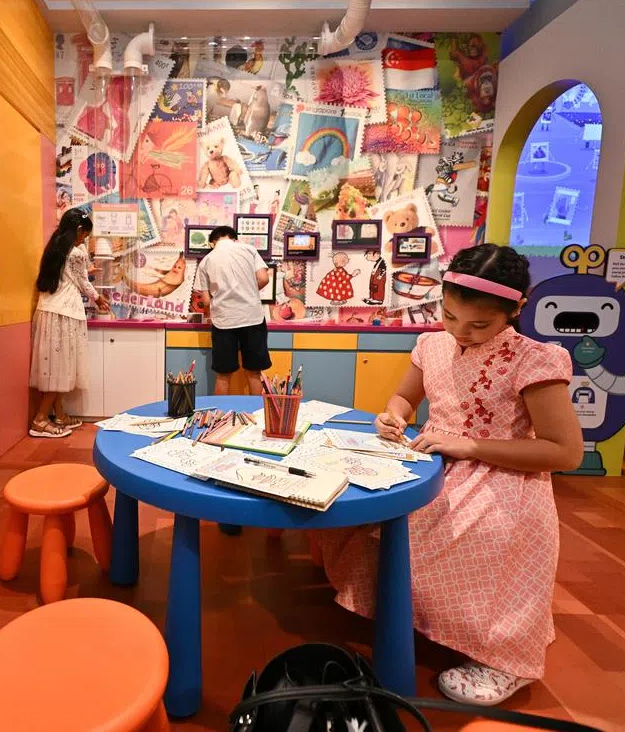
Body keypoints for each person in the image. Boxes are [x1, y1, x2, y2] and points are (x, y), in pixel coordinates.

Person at [313, 244, 583, 706]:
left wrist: (468, 445)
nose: (461, 332)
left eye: (481, 325)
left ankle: (505, 656)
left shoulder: (535, 359)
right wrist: (392, 416)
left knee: (473, 536)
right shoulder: (431, 343)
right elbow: (403, 400)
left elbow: (565, 452)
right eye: (450, 315)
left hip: (504, 477)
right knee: (357, 510)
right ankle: (408, 615)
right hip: (429, 458)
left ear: (516, 309)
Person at [30, 208, 110, 437]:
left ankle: (60, 414)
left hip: (49, 310)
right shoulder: (77, 252)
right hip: (65, 314)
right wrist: (98, 297)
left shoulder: (55, 246)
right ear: (78, 230)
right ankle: (40, 420)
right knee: (61, 368)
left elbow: (71, 276)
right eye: (85, 234)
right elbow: (83, 282)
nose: (85, 238)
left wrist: (86, 274)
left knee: (57, 368)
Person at [193, 226, 272, 394]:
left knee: (223, 375)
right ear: (234, 238)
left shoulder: (207, 260)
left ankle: (220, 417)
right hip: (252, 317)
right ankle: (257, 415)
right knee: (254, 372)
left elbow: (206, 301)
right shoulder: (249, 249)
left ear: (213, 243)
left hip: (224, 321)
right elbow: (264, 278)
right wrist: (248, 290)